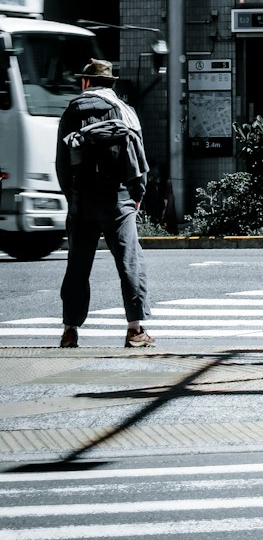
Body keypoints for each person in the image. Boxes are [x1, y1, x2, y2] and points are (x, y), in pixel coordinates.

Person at [55, 59, 154, 350]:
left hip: (83, 200)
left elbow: (62, 162)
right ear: (111, 83)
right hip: (118, 199)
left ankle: (70, 330)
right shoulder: (124, 111)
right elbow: (139, 161)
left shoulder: (72, 111)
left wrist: (72, 197)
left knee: (77, 266)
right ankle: (135, 330)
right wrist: (136, 196)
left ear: (86, 82)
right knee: (129, 263)